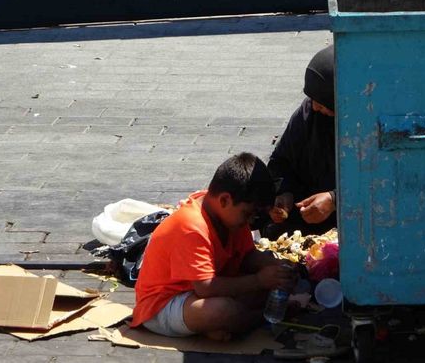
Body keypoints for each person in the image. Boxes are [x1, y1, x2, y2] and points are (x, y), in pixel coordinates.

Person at [130, 152, 297, 340]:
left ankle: (224, 325)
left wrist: (273, 267)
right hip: (164, 305)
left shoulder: (231, 217)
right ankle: (252, 319)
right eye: (247, 214)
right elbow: (206, 288)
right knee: (223, 311)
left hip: (202, 292)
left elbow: (246, 256)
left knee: (269, 289)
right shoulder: (191, 225)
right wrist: (259, 280)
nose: (250, 221)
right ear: (224, 200)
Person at [265, 44, 337, 238]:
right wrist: (285, 192)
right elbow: (281, 161)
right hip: (306, 215)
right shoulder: (308, 114)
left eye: (322, 104)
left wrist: (335, 199)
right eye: (312, 99)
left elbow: (381, 182)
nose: (314, 107)